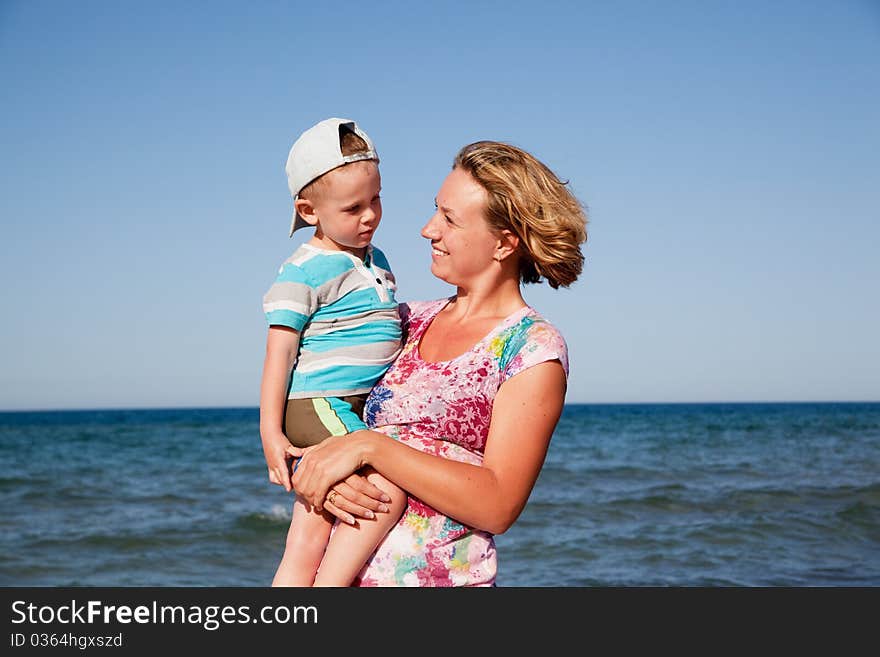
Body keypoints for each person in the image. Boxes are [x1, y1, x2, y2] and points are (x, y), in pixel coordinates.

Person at [288, 139, 588, 586]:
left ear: (504, 244)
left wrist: (371, 447)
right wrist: (315, 473)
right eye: (436, 211)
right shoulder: (402, 321)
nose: (428, 229)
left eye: (449, 219)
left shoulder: (531, 348)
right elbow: (315, 409)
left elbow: (499, 503)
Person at [259, 117, 407, 587]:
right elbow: (279, 355)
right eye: (352, 208)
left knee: (310, 528)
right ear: (309, 210)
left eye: (376, 200)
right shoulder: (303, 270)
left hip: (346, 405)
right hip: (318, 403)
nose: (369, 216)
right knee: (384, 492)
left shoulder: (374, 259)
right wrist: (269, 432)